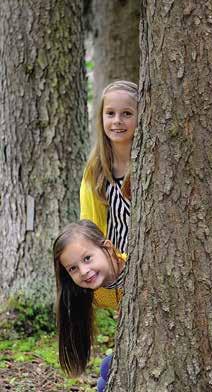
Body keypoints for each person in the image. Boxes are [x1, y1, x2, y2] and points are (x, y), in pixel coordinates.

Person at [53, 220, 126, 379]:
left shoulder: (134, 265)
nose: (84, 271)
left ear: (107, 248)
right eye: (73, 268)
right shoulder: (94, 294)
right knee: (106, 371)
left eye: (87, 258)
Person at [80, 80, 138, 255]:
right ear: (101, 117)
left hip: (145, 266)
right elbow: (88, 228)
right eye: (110, 113)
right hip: (109, 271)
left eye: (127, 114)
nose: (117, 121)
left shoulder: (150, 166)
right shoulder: (95, 170)